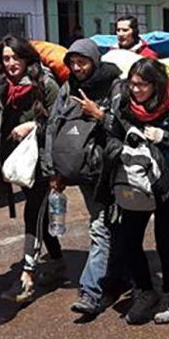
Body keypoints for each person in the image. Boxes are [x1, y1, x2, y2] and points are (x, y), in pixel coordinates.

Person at [103, 58, 169, 325]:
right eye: (132, 84)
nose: (135, 90)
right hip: (135, 183)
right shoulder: (126, 106)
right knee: (128, 240)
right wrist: (120, 148)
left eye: (141, 85)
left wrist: (163, 137)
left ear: (156, 84)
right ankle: (145, 291)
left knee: (166, 243)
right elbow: (110, 134)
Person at [42, 38, 123, 316]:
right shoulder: (67, 88)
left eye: (82, 62)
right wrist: (53, 169)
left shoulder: (113, 85)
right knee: (103, 226)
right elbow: (54, 126)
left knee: (103, 227)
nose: (77, 68)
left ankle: (92, 291)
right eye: (72, 63)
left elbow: (125, 126)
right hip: (82, 172)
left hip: (110, 170)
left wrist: (99, 114)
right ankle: (110, 279)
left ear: (94, 60)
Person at [0, 35, 63, 304]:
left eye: (15, 57)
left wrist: (33, 126)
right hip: (23, 165)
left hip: (46, 164)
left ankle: (27, 277)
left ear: (27, 58)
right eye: (6, 58)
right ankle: (57, 263)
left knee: (33, 214)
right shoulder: (3, 87)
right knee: (42, 219)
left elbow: (60, 122)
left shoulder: (46, 84)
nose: (11, 63)